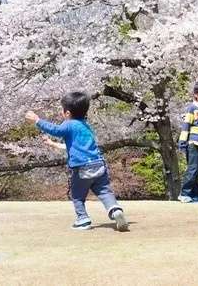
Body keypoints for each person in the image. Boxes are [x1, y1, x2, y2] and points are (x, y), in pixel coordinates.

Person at [25, 91, 128, 231]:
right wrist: (52, 144)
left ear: (67, 113)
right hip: (98, 164)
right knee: (105, 192)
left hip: (82, 167)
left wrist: (38, 120)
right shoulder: (86, 126)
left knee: (77, 195)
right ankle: (115, 211)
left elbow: (55, 130)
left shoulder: (70, 124)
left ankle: (83, 219)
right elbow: (74, 147)